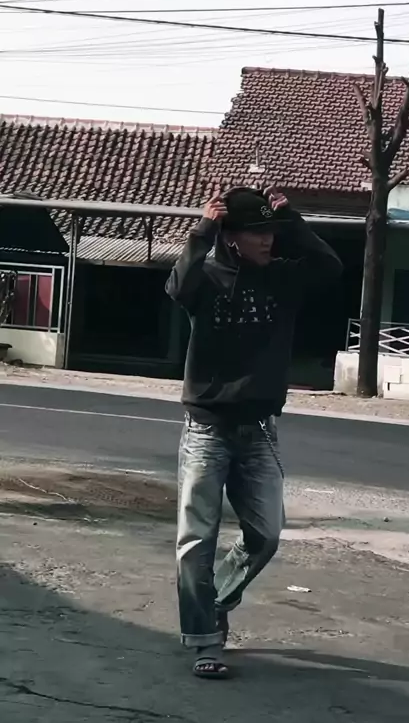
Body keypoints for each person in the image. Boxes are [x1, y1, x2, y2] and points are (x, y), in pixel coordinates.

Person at [165, 186, 342, 679]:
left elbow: (330, 268)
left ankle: (216, 601)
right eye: (257, 232)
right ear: (232, 237)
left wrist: (295, 222)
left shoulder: (284, 278)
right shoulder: (206, 279)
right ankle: (205, 640)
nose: (268, 240)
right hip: (206, 429)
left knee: (265, 536)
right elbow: (177, 288)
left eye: (271, 232)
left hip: (260, 430)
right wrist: (203, 229)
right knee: (196, 539)